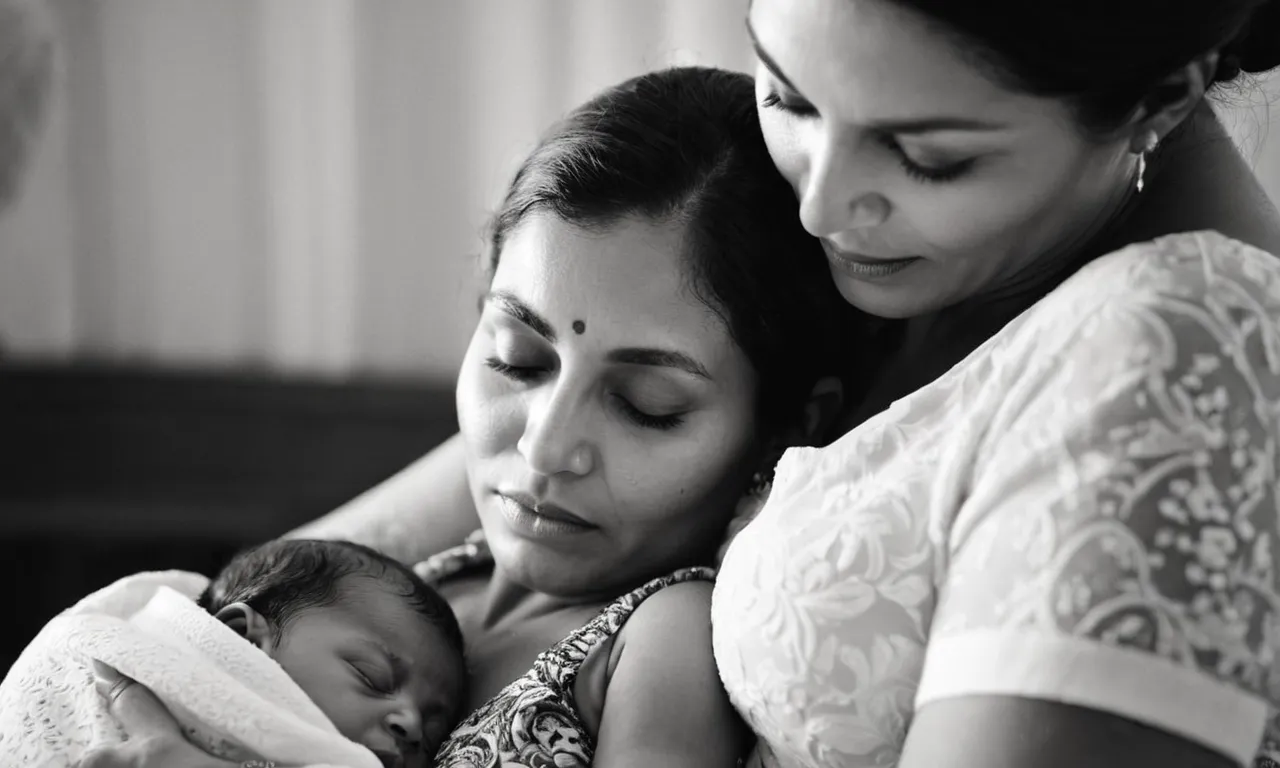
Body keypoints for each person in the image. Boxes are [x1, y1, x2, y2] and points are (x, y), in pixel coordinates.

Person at [307, 2, 1280, 767]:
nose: (816, 202)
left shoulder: (1185, 344)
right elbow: (353, 557)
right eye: (789, 96)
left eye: (926, 156)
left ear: (1156, 100)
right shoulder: (884, 244)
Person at [74, 65, 868, 768]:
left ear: (785, 425)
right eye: (517, 358)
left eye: (646, 406)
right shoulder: (389, 590)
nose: (546, 446)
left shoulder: (654, 640)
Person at [0, 539, 466, 767]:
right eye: (373, 676)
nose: (409, 723)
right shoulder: (148, 660)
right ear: (243, 636)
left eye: (432, 734)